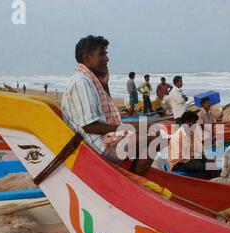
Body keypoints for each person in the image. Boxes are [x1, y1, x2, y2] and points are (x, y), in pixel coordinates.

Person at [61, 35, 158, 176]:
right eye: (102, 54)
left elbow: (106, 115)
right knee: (155, 136)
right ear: (87, 58)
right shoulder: (81, 82)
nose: (107, 59)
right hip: (99, 147)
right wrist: (130, 127)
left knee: (149, 129)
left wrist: (105, 86)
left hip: (102, 141)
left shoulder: (89, 80)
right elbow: (89, 126)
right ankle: (132, 181)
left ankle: (131, 177)